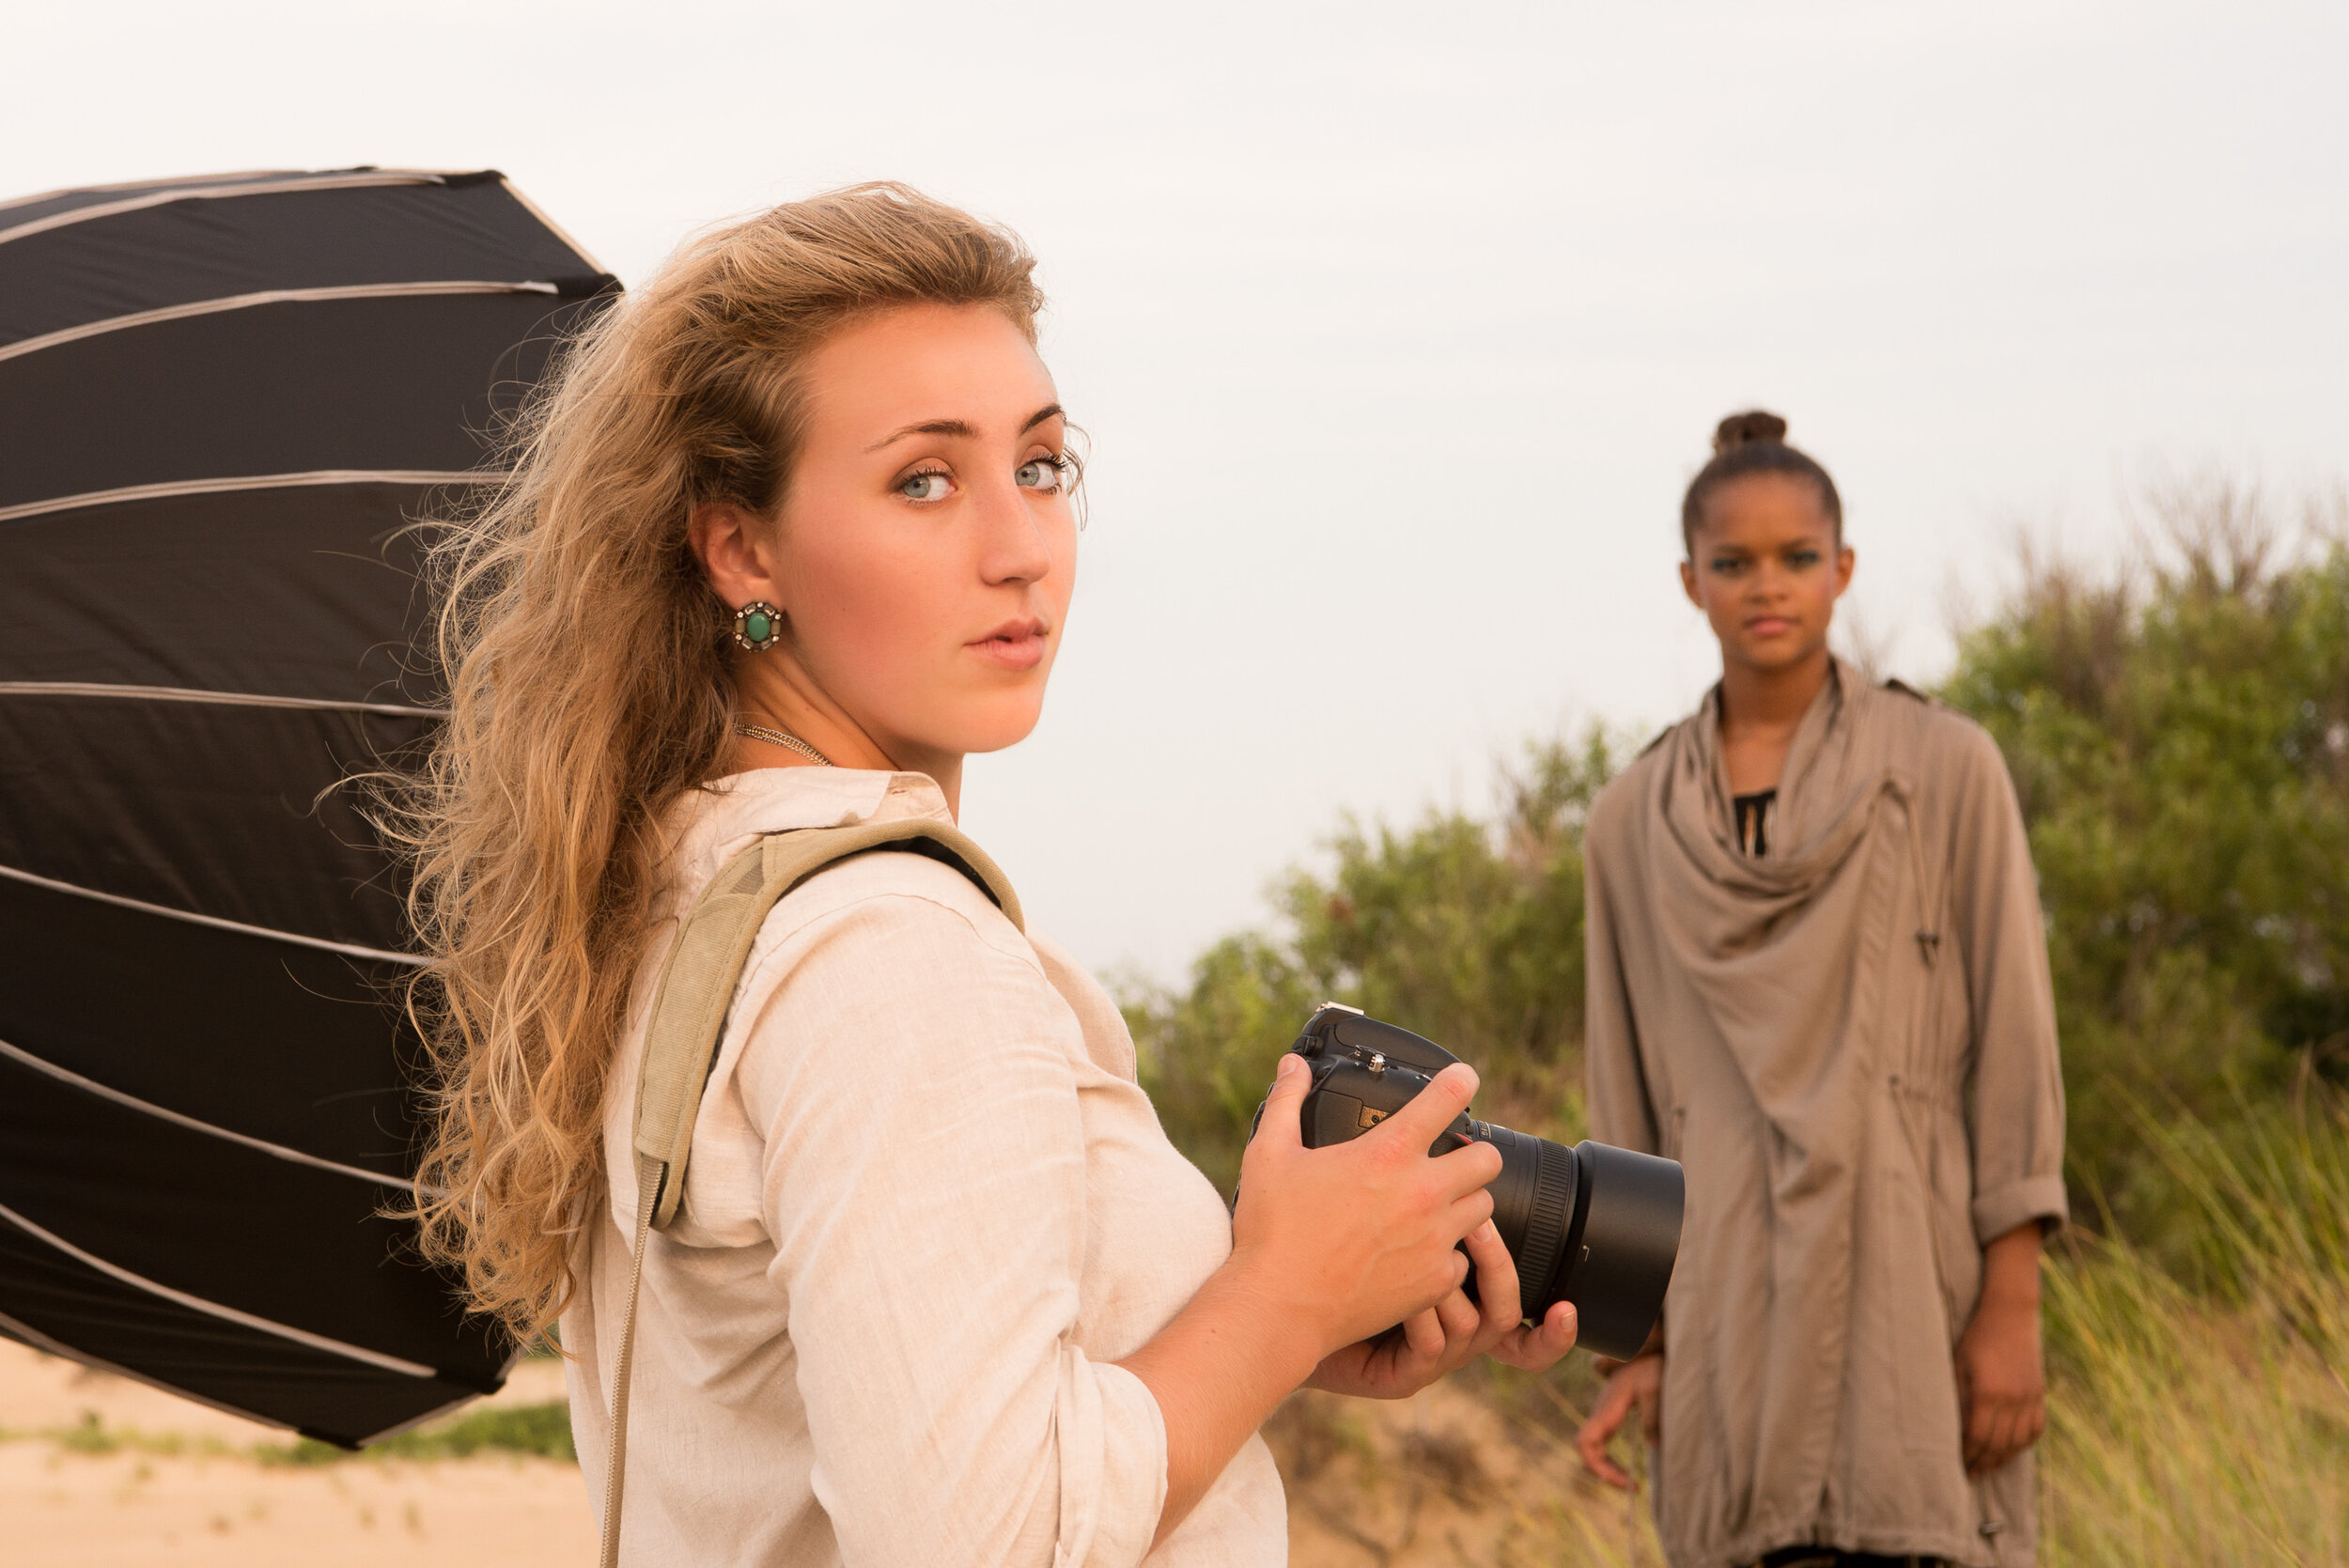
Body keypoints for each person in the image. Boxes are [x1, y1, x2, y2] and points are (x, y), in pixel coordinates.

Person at [395, 184, 1577, 1567]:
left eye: (1041, 465)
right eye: (924, 480)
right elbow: (983, 1539)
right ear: (743, 549)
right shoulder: (889, 948)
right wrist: (1279, 1300)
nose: (1020, 549)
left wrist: (1273, 1328)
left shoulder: (689, 890)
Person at [1573, 412, 2066, 1568]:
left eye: (1797, 557)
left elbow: (2015, 1042)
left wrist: (2012, 1307)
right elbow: (1625, 1099)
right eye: (1733, 562)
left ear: (1842, 569)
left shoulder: (1942, 768)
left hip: (1909, 1270)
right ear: (1689, 581)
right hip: (1719, 1294)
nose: (1767, 586)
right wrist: (1635, 1345)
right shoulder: (1633, 817)